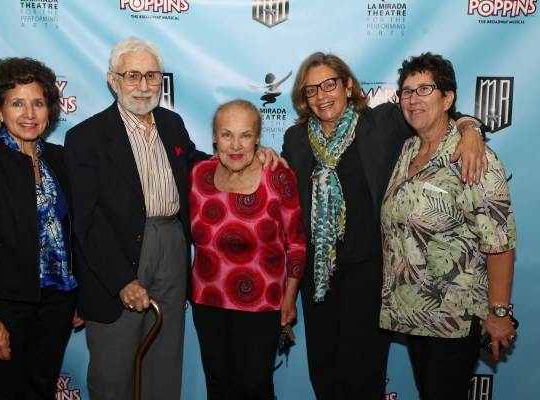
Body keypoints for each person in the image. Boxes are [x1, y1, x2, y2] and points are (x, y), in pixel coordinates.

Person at [64, 37, 282, 400]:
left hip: (173, 250)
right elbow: (86, 221)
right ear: (112, 79)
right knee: (114, 376)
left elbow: (202, 165)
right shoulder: (85, 137)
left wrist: (254, 152)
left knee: (164, 369)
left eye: (152, 75)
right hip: (115, 258)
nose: (143, 85)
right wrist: (122, 281)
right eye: (132, 75)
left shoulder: (171, 123)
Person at [281, 52, 487, 399]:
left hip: (371, 272)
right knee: (324, 371)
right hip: (319, 278)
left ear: (348, 86)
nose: (322, 95)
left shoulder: (382, 122)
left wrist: (470, 129)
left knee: (362, 373)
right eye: (311, 89)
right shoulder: (295, 140)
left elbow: (432, 112)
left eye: (329, 84)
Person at [380, 53, 517, 399]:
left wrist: (499, 314)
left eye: (425, 89)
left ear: (448, 97)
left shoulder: (472, 157)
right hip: (414, 311)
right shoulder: (409, 149)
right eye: (407, 91)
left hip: (455, 318)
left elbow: (499, 243)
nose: (413, 99)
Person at [0, 57, 80, 399]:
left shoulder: (59, 158)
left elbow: (73, 230)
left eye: (38, 103)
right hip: (5, 306)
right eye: (17, 103)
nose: (29, 113)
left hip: (57, 302)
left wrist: (79, 292)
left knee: (40, 391)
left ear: (50, 109)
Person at [190, 100, 306, 400]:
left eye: (245, 135)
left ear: (258, 138)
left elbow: (296, 244)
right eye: (226, 134)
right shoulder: (197, 175)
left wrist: (290, 298)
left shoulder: (278, 177)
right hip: (208, 300)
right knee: (218, 386)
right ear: (214, 137)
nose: (235, 145)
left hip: (262, 304)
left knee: (254, 387)